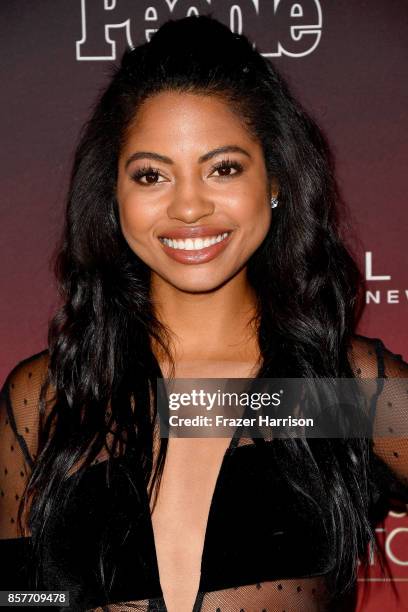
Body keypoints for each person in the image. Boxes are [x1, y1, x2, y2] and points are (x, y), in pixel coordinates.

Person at [0, 14, 407, 612]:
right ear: (114, 196)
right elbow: (19, 599)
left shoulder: (336, 387)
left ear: (275, 180)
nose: (189, 205)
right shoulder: (49, 396)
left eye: (223, 167)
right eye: (151, 174)